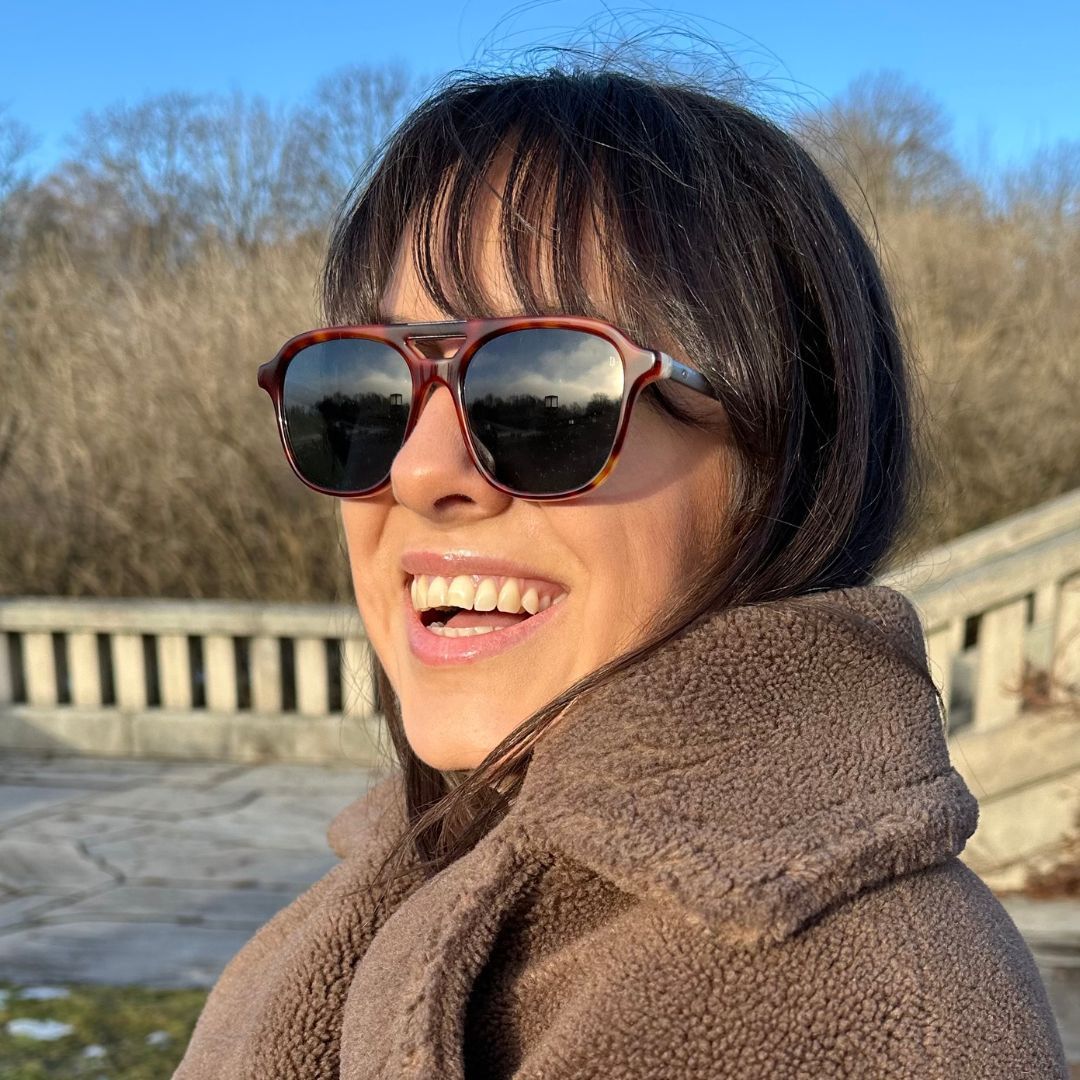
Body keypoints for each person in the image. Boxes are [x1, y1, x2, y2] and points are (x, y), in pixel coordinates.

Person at [173, 58, 1068, 1079]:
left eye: (542, 397)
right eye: (364, 395)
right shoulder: (346, 914)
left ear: (783, 461)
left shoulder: (874, 1013)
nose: (419, 470)